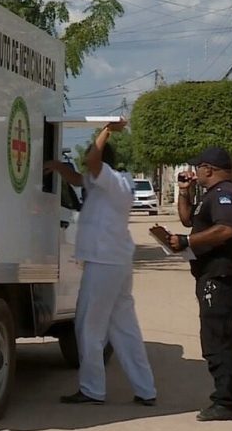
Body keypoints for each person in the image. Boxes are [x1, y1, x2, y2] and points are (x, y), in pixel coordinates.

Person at [45, 121, 157, 406]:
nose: (86, 166)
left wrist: (106, 130)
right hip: (113, 262)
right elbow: (76, 177)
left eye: (90, 162)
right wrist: (57, 166)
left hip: (104, 262)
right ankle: (146, 390)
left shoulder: (113, 181)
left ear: (102, 164)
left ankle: (92, 389)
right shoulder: (105, 183)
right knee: (124, 328)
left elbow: (92, 161)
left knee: (88, 327)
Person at [169, 147, 232, 421]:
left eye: (198, 168)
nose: (195, 173)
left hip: (220, 277)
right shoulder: (210, 196)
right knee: (221, 337)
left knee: (216, 341)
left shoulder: (225, 195)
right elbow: (187, 219)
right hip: (210, 276)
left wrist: (188, 242)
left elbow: (226, 230)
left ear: (209, 169)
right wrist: (184, 192)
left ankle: (225, 402)